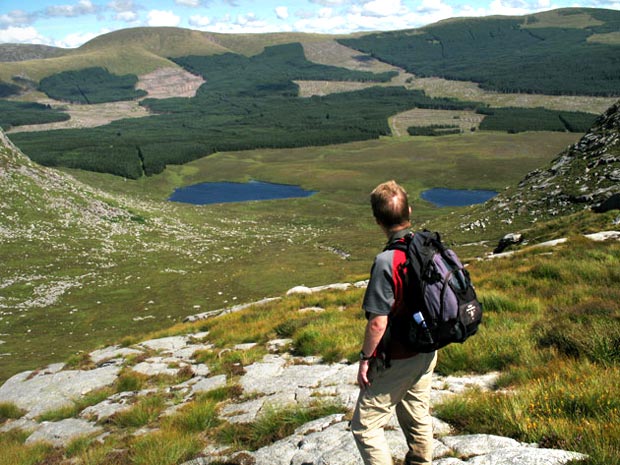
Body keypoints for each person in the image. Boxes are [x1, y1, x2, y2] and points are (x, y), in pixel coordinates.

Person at [351, 180, 437, 465]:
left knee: (365, 426)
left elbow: (378, 323)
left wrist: (366, 359)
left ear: (378, 221)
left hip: (400, 354)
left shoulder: (387, 260)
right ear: (409, 211)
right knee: (417, 413)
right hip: (428, 347)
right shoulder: (426, 246)